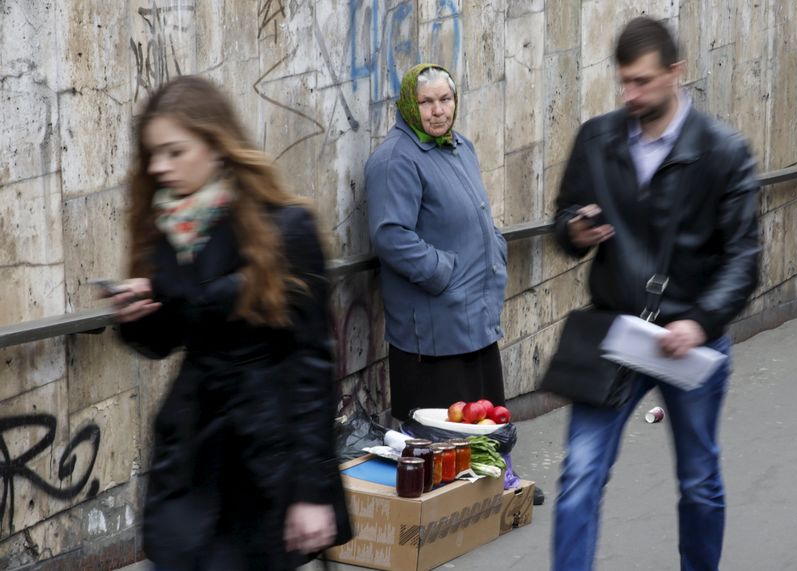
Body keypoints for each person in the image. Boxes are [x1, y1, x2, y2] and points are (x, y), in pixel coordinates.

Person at [110, 75, 351, 571]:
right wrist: (137, 317)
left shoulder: (287, 228)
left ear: (217, 146)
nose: (159, 167)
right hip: (192, 450)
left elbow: (312, 366)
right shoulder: (166, 229)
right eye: (153, 154)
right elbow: (165, 341)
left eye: (175, 152)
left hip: (266, 455)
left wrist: (310, 490)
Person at [551, 17, 760, 571]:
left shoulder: (725, 152)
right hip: (617, 334)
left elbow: (744, 258)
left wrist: (702, 322)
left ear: (676, 72)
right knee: (578, 476)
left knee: (699, 482)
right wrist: (574, 230)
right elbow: (564, 219)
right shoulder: (597, 138)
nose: (630, 95)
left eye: (642, 82)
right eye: (623, 82)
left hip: (689, 341)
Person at [365, 64, 508, 421]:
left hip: (476, 322)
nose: (438, 110)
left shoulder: (460, 146)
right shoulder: (396, 159)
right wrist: (445, 274)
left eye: (445, 99)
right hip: (434, 337)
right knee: (444, 450)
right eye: (426, 102)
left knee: (486, 434)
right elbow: (391, 236)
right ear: (410, 107)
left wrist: (496, 246)